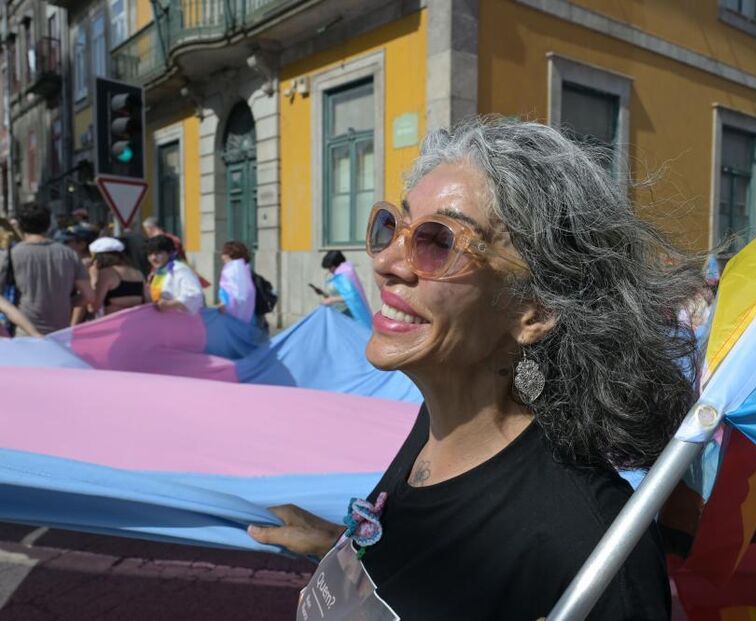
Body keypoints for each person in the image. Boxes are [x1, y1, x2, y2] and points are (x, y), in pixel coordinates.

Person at [248, 119, 703, 619]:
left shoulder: (587, 551)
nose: (386, 263)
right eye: (392, 228)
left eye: (438, 241)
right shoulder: (438, 426)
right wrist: (341, 548)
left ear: (534, 312)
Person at [0, 206, 93, 334]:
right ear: (48, 225)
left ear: (20, 226)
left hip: (25, 331)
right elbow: (89, 296)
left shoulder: (11, 254)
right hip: (60, 332)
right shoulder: (69, 254)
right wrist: (65, 303)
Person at [145, 234, 204, 313]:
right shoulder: (157, 272)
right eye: (150, 254)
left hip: (180, 321)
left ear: (170, 253)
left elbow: (195, 294)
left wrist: (170, 304)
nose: (153, 258)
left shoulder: (180, 269)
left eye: (158, 253)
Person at [89, 237, 146, 316]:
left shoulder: (107, 274)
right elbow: (148, 301)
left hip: (114, 325)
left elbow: (93, 307)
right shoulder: (138, 273)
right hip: (136, 323)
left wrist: (93, 278)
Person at [320, 249, 373, 327]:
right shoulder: (346, 270)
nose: (329, 270)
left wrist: (331, 300)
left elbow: (351, 296)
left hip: (351, 313)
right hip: (345, 311)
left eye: (330, 267)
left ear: (335, 265)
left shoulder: (343, 275)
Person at [218, 240, 256, 324]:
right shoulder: (244, 268)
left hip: (233, 313)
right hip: (248, 314)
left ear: (230, 254)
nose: (222, 257)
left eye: (224, 253)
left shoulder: (231, 270)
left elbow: (236, 293)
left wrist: (224, 304)